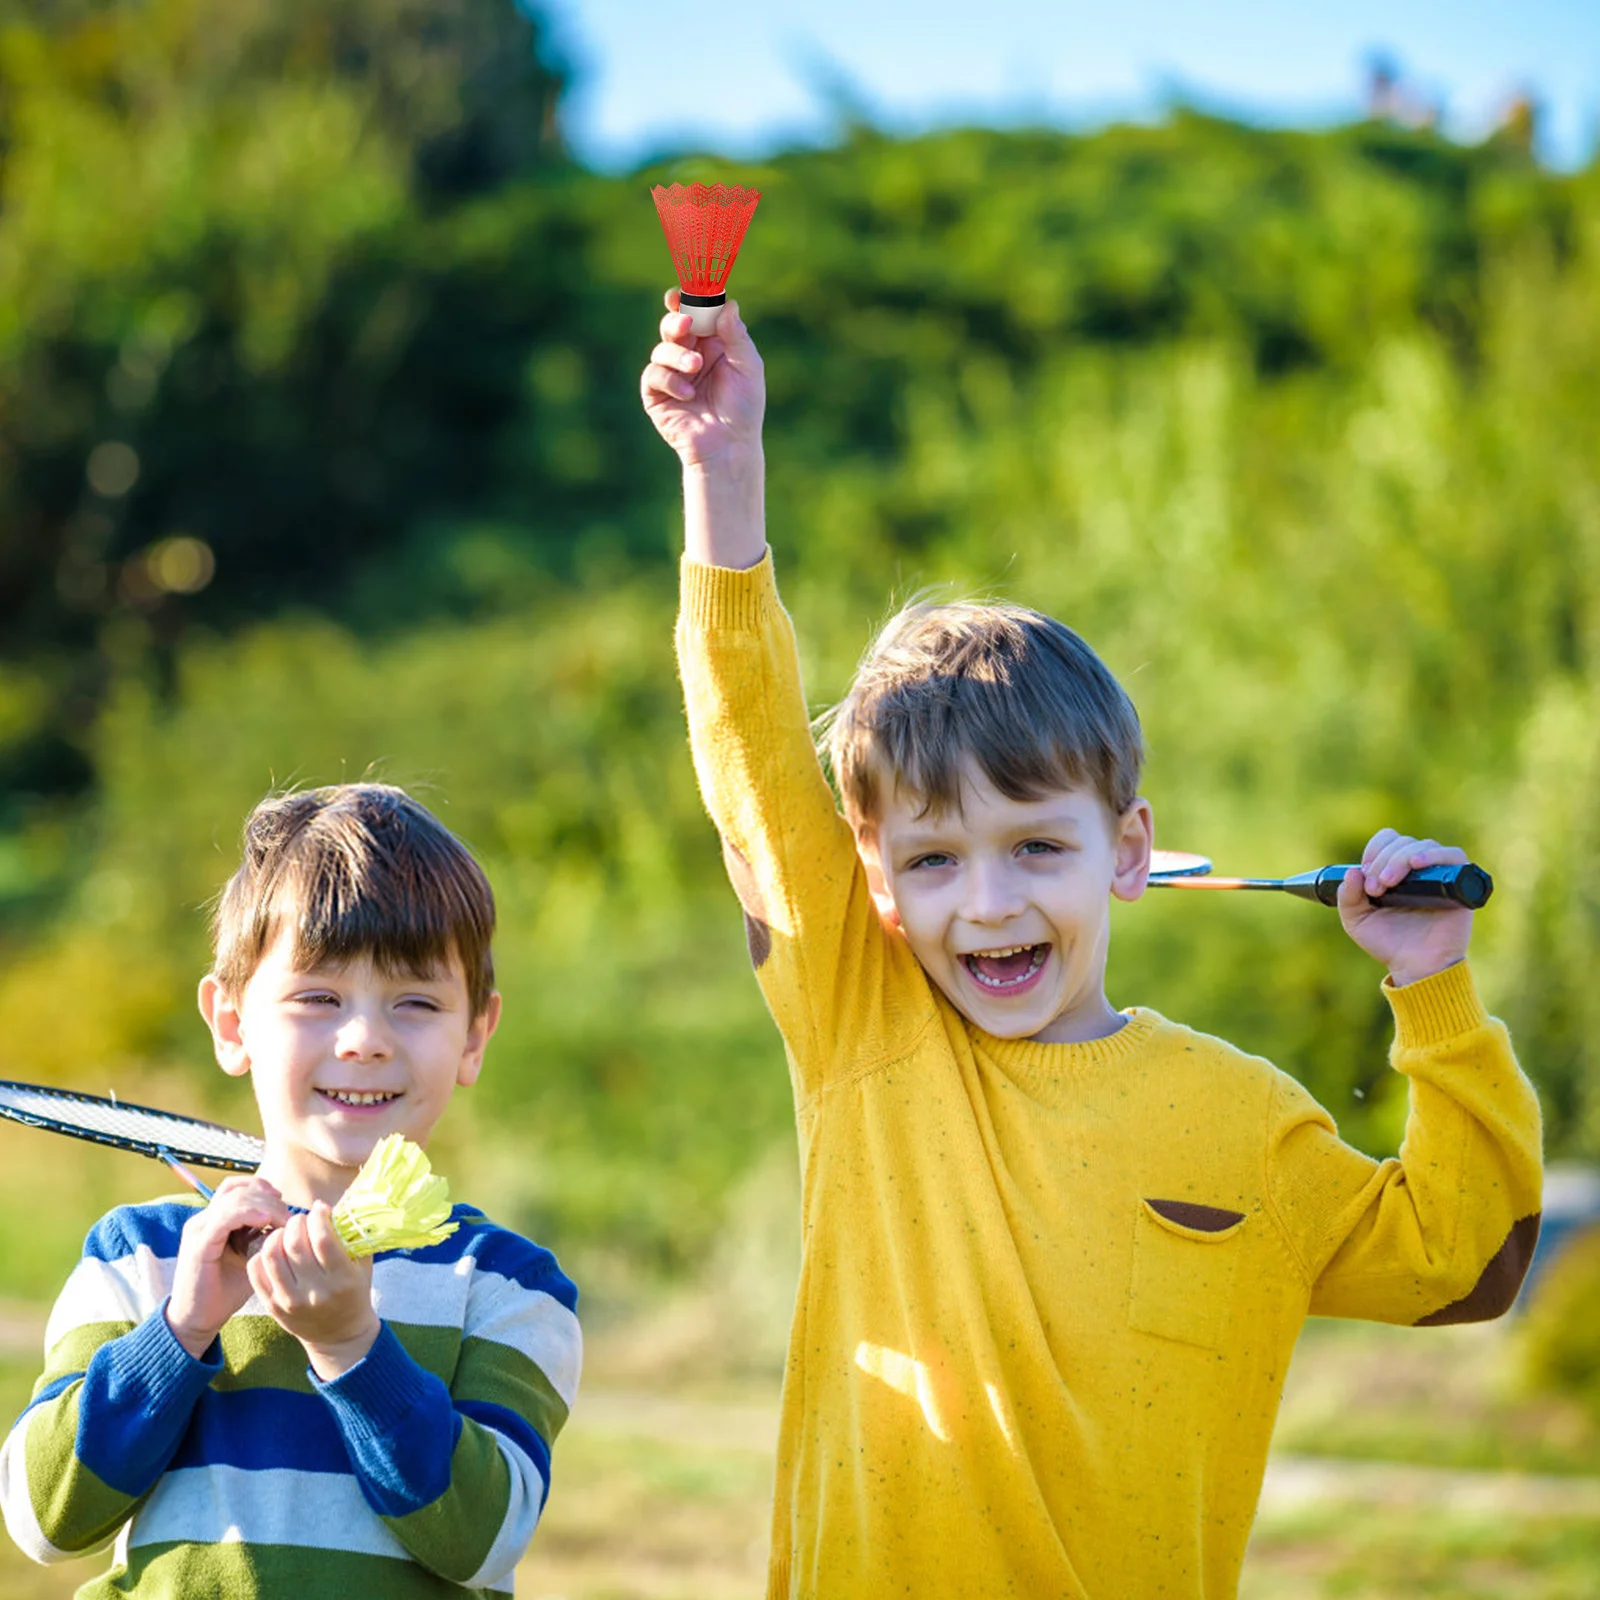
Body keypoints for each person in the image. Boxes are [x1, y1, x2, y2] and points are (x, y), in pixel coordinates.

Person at [641, 292, 1543, 1599]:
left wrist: (1435, 983)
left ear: (1130, 851)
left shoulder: (1240, 1119)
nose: (990, 904)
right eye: (935, 860)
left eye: (1038, 849)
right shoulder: (862, 1028)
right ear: (875, 878)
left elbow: (1469, 1263)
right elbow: (748, 752)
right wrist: (724, 472)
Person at [0, 784, 580, 1597]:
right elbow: (41, 1520)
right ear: (232, 1024)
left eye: (415, 1002)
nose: (366, 1040)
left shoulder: (505, 1286)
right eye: (319, 998)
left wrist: (351, 1347)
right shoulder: (139, 1258)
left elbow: (483, 1541)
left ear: (475, 1036)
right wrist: (181, 1329)